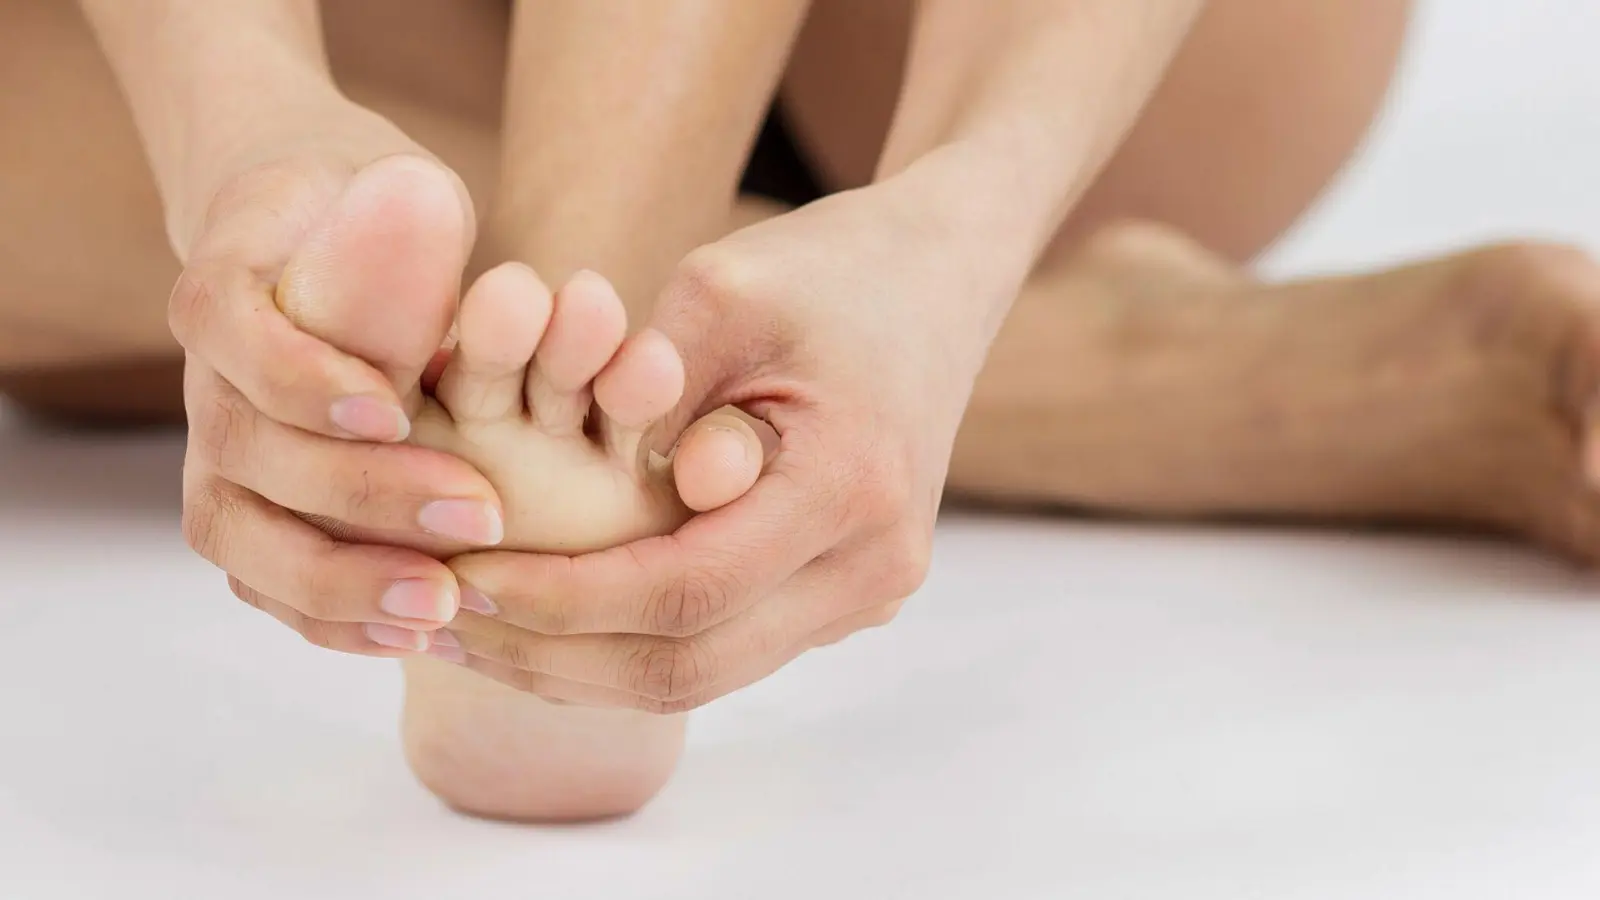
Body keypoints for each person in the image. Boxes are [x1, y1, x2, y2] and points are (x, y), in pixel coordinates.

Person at [4, 0, 1597, 822]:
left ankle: (591, 281)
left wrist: (970, 209)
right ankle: (1104, 372)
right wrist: (224, 121)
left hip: (1013, 68)